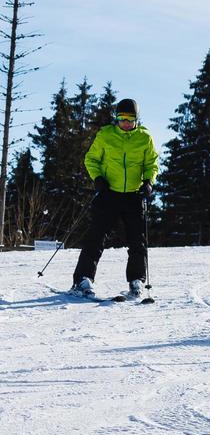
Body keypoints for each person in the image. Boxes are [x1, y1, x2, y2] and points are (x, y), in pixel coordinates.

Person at [71, 98, 159, 298]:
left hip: (134, 195)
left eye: (130, 119)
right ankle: (83, 279)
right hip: (109, 193)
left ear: (136, 119)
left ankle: (136, 280)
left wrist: (148, 182)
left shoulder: (145, 138)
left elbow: (151, 163)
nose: (125, 123)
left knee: (138, 240)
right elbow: (91, 158)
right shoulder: (106, 135)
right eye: (121, 118)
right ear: (116, 118)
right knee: (96, 237)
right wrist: (98, 178)